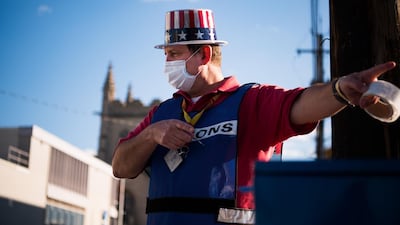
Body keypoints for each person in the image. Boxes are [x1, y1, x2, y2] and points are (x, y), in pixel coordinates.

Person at [111, 8, 396, 225]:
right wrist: (150, 134)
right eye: (166, 54)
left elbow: (301, 103)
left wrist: (341, 90)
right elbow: (120, 166)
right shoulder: (161, 113)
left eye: (174, 53)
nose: (167, 63)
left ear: (204, 55)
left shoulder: (251, 101)